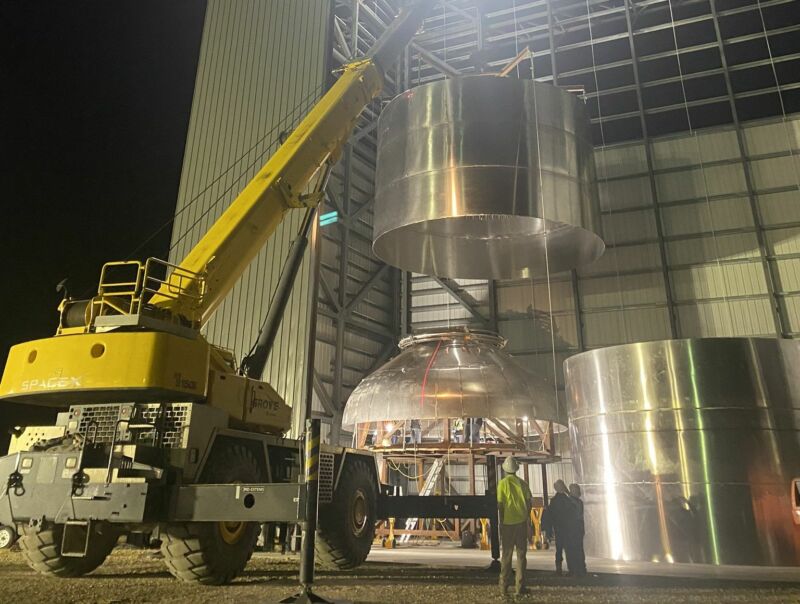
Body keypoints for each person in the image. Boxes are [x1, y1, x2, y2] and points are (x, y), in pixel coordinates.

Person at [497, 456, 532, 596]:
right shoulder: (523, 484)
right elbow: (529, 503)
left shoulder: (502, 484)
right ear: (516, 469)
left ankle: (503, 587)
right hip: (521, 523)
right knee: (521, 556)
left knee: (506, 555)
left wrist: (501, 521)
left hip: (508, 523)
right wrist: (526, 518)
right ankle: (520, 587)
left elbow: (500, 505)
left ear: (505, 469)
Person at [540, 479, 578, 576]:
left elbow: (550, 516)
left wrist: (548, 529)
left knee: (559, 549)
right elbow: (573, 512)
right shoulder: (568, 500)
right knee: (568, 549)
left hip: (558, 529)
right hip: (567, 529)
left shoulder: (554, 501)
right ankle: (571, 568)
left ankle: (558, 569)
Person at [568, 483, 587, 576]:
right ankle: (581, 568)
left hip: (574, 527)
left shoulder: (574, 502)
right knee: (579, 548)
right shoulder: (579, 502)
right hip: (579, 527)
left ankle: (576, 569)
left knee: (574, 549)